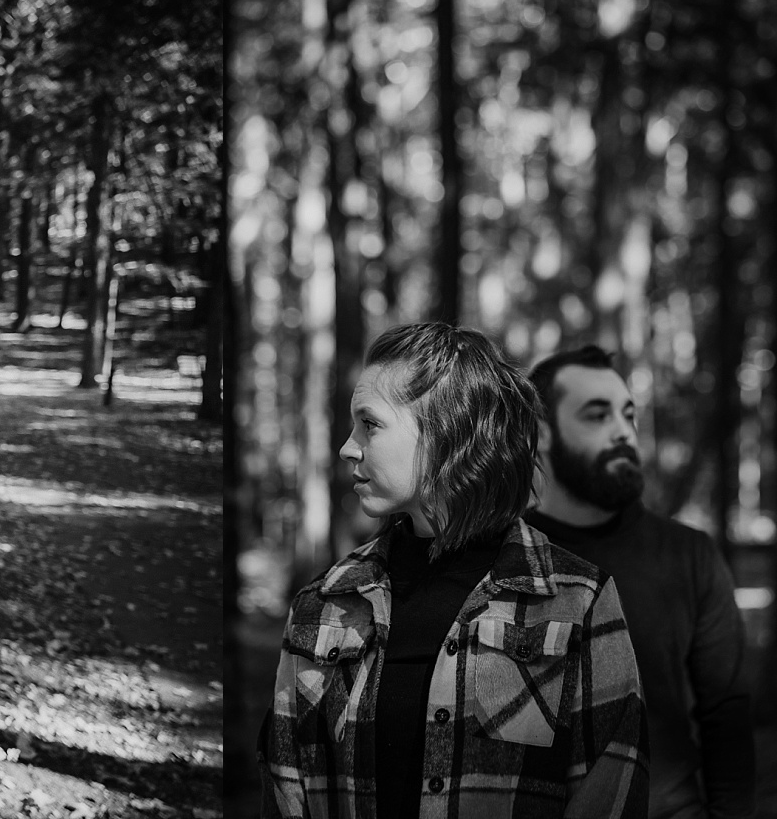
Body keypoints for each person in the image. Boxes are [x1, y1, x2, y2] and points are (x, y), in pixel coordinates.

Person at [260, 322, 648, 819]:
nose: (347, 447)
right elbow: (284, 783)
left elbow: (611, 787)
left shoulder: (578, 600)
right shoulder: (323, 604)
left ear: (448, 430)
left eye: (370, 424)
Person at [524, 345, 754, 819]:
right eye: (597, 414)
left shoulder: (689, 555)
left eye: (628, 414)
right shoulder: (506, 557)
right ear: (541, 434)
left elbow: (726, 714)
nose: (624, 431)